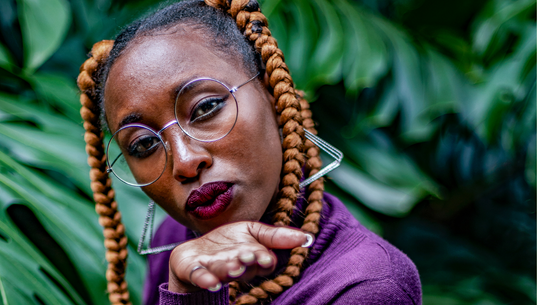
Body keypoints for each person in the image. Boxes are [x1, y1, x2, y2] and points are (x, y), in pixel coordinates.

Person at [77, 0, 422, 304]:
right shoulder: (175, 238)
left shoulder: (366, 286)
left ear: (272, 91)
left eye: (206, 108)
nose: (184, 162)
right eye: (144, 144)